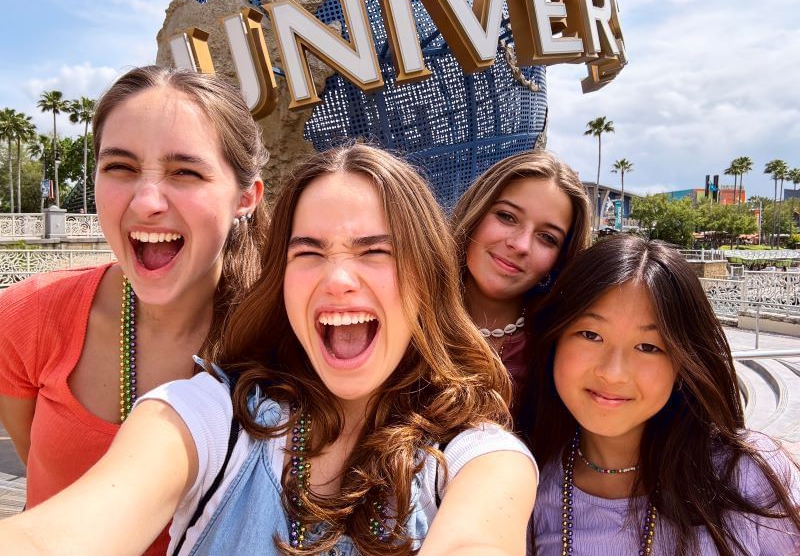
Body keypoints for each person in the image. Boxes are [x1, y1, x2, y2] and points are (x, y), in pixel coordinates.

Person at [0, 144, 537, 555]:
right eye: (310, 252)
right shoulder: (211, 416)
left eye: (376, 252)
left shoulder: (480, 457)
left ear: (428, 279)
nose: (339, 279)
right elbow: (68, 533)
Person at [0, 66, 267, 555]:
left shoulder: (284, 336)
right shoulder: (28, 316)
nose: (146, 202)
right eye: (119, 167)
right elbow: (36, 469)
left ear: (245, 197)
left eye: (185, 172)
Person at [522, 234, 800, 555]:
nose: (613, 373)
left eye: (648, 347)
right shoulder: (524, 491)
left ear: (682, 364)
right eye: (591, 334)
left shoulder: (749, 476)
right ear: (555, 339)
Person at [450, 150, 590, 399]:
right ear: (476, 212)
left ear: (560, 259)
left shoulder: (557, 350)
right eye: (507, 216)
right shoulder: (408, 313)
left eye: (547, 238)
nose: (521, 245)